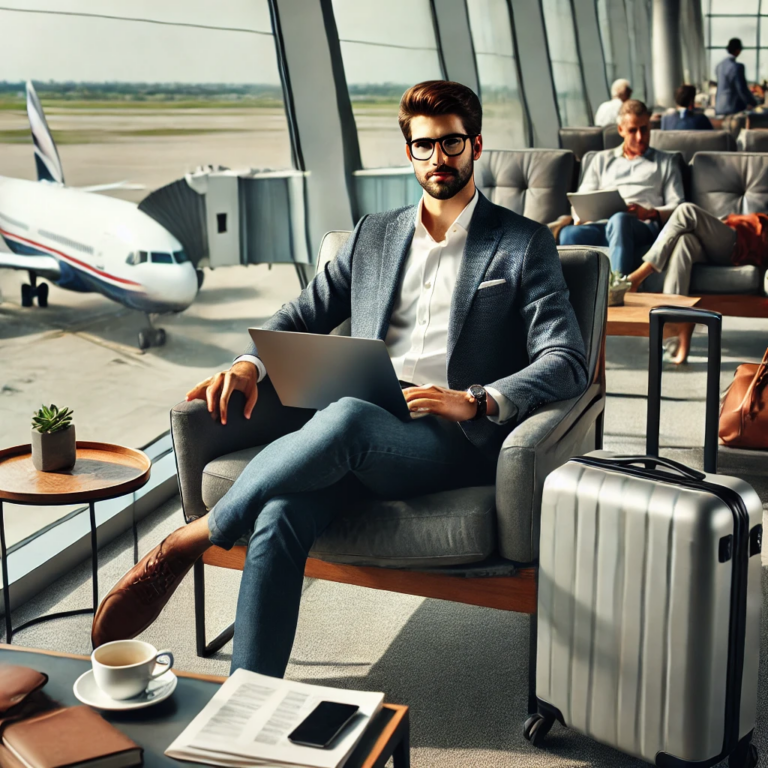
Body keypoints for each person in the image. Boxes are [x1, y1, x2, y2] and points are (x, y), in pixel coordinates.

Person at [90, 80, 588, 677]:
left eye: (452, 143)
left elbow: (565, 358)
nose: (439, 159)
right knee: (277, 517)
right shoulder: (372, 234)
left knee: (347, 417)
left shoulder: (521, 243)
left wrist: (477, 400)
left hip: (448, 438)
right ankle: (248, 703)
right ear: (409, 153)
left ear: (475, 145)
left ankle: (187, 542)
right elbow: (302, 313)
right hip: (354, 425)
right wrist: (248, 364)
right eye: (425, 146)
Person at [628, 203, 768, 363]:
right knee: (684, 242)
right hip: (716, 241)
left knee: (686, 210)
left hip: (738, 243)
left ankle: (639, 275)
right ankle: (675, 332)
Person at [558, 100, 684, 276]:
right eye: (633, 130)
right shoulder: (601, 160)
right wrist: (581, 217)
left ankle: (617, 288)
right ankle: (575, 300)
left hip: (642, 226)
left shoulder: (667, 162)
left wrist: (649, 213)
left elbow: (678, 206)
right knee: (568, 234)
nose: (640, 137)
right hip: (603, 225)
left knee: (620, 220)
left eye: (644, 129)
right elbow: (582, 198)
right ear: (621, 130)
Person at [715, 38, 757, 116]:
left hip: (719, 107)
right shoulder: (737, 67)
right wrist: (753, 102)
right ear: (738, 50)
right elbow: (742, 89)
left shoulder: (719, 65)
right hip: (732, 108)